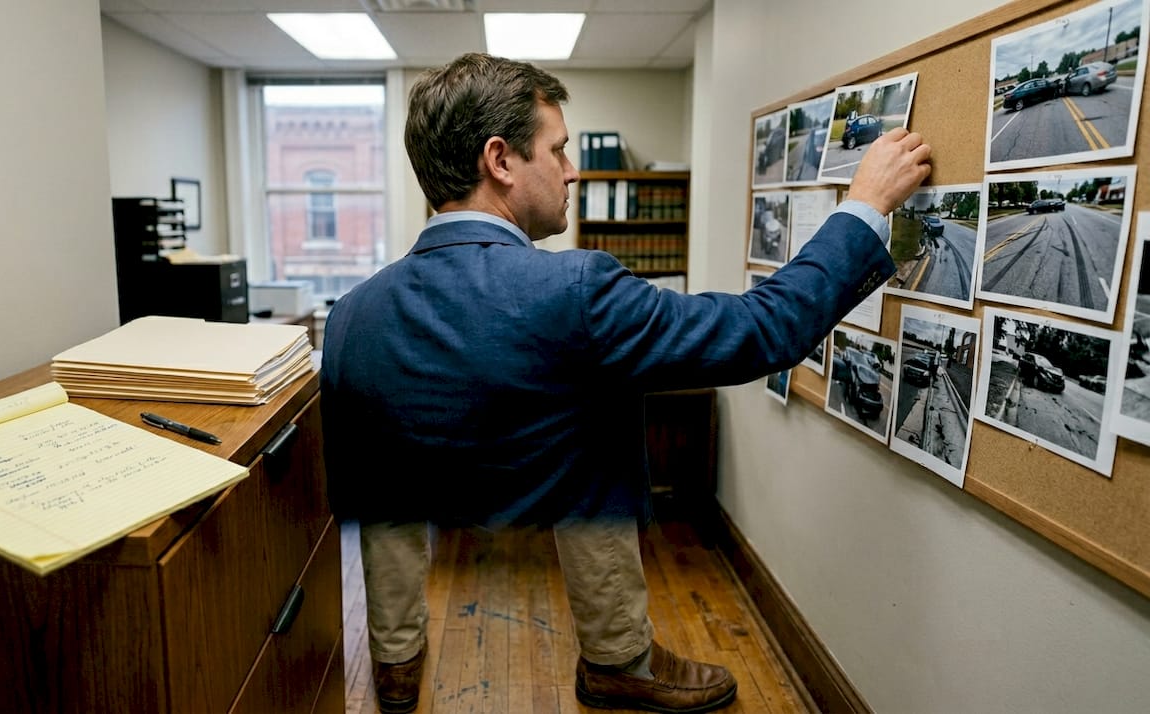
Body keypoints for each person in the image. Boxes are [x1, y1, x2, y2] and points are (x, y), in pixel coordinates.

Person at [321, 52, 931, 713]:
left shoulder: (352, 313)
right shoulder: (572, 289)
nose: (572, 170)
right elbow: (765, 331)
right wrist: (864, 207)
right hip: (541, 494)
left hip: (433, 508)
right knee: (594, 393)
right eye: (557, 150)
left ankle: (397, 668)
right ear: (500, 161)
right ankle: (620, 659)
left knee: (394, 462)